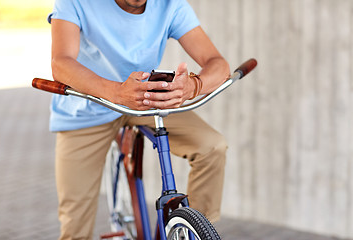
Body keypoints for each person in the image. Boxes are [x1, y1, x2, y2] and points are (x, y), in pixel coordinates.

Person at [48, 0, 230, 239]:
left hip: (144, 103)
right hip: (88, 108)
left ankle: (193, 232)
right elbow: (61, 63)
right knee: (75, 225)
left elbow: (218, 63)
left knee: (212, 147)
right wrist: (116, 92)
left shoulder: (171, 5)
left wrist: (193, 87)